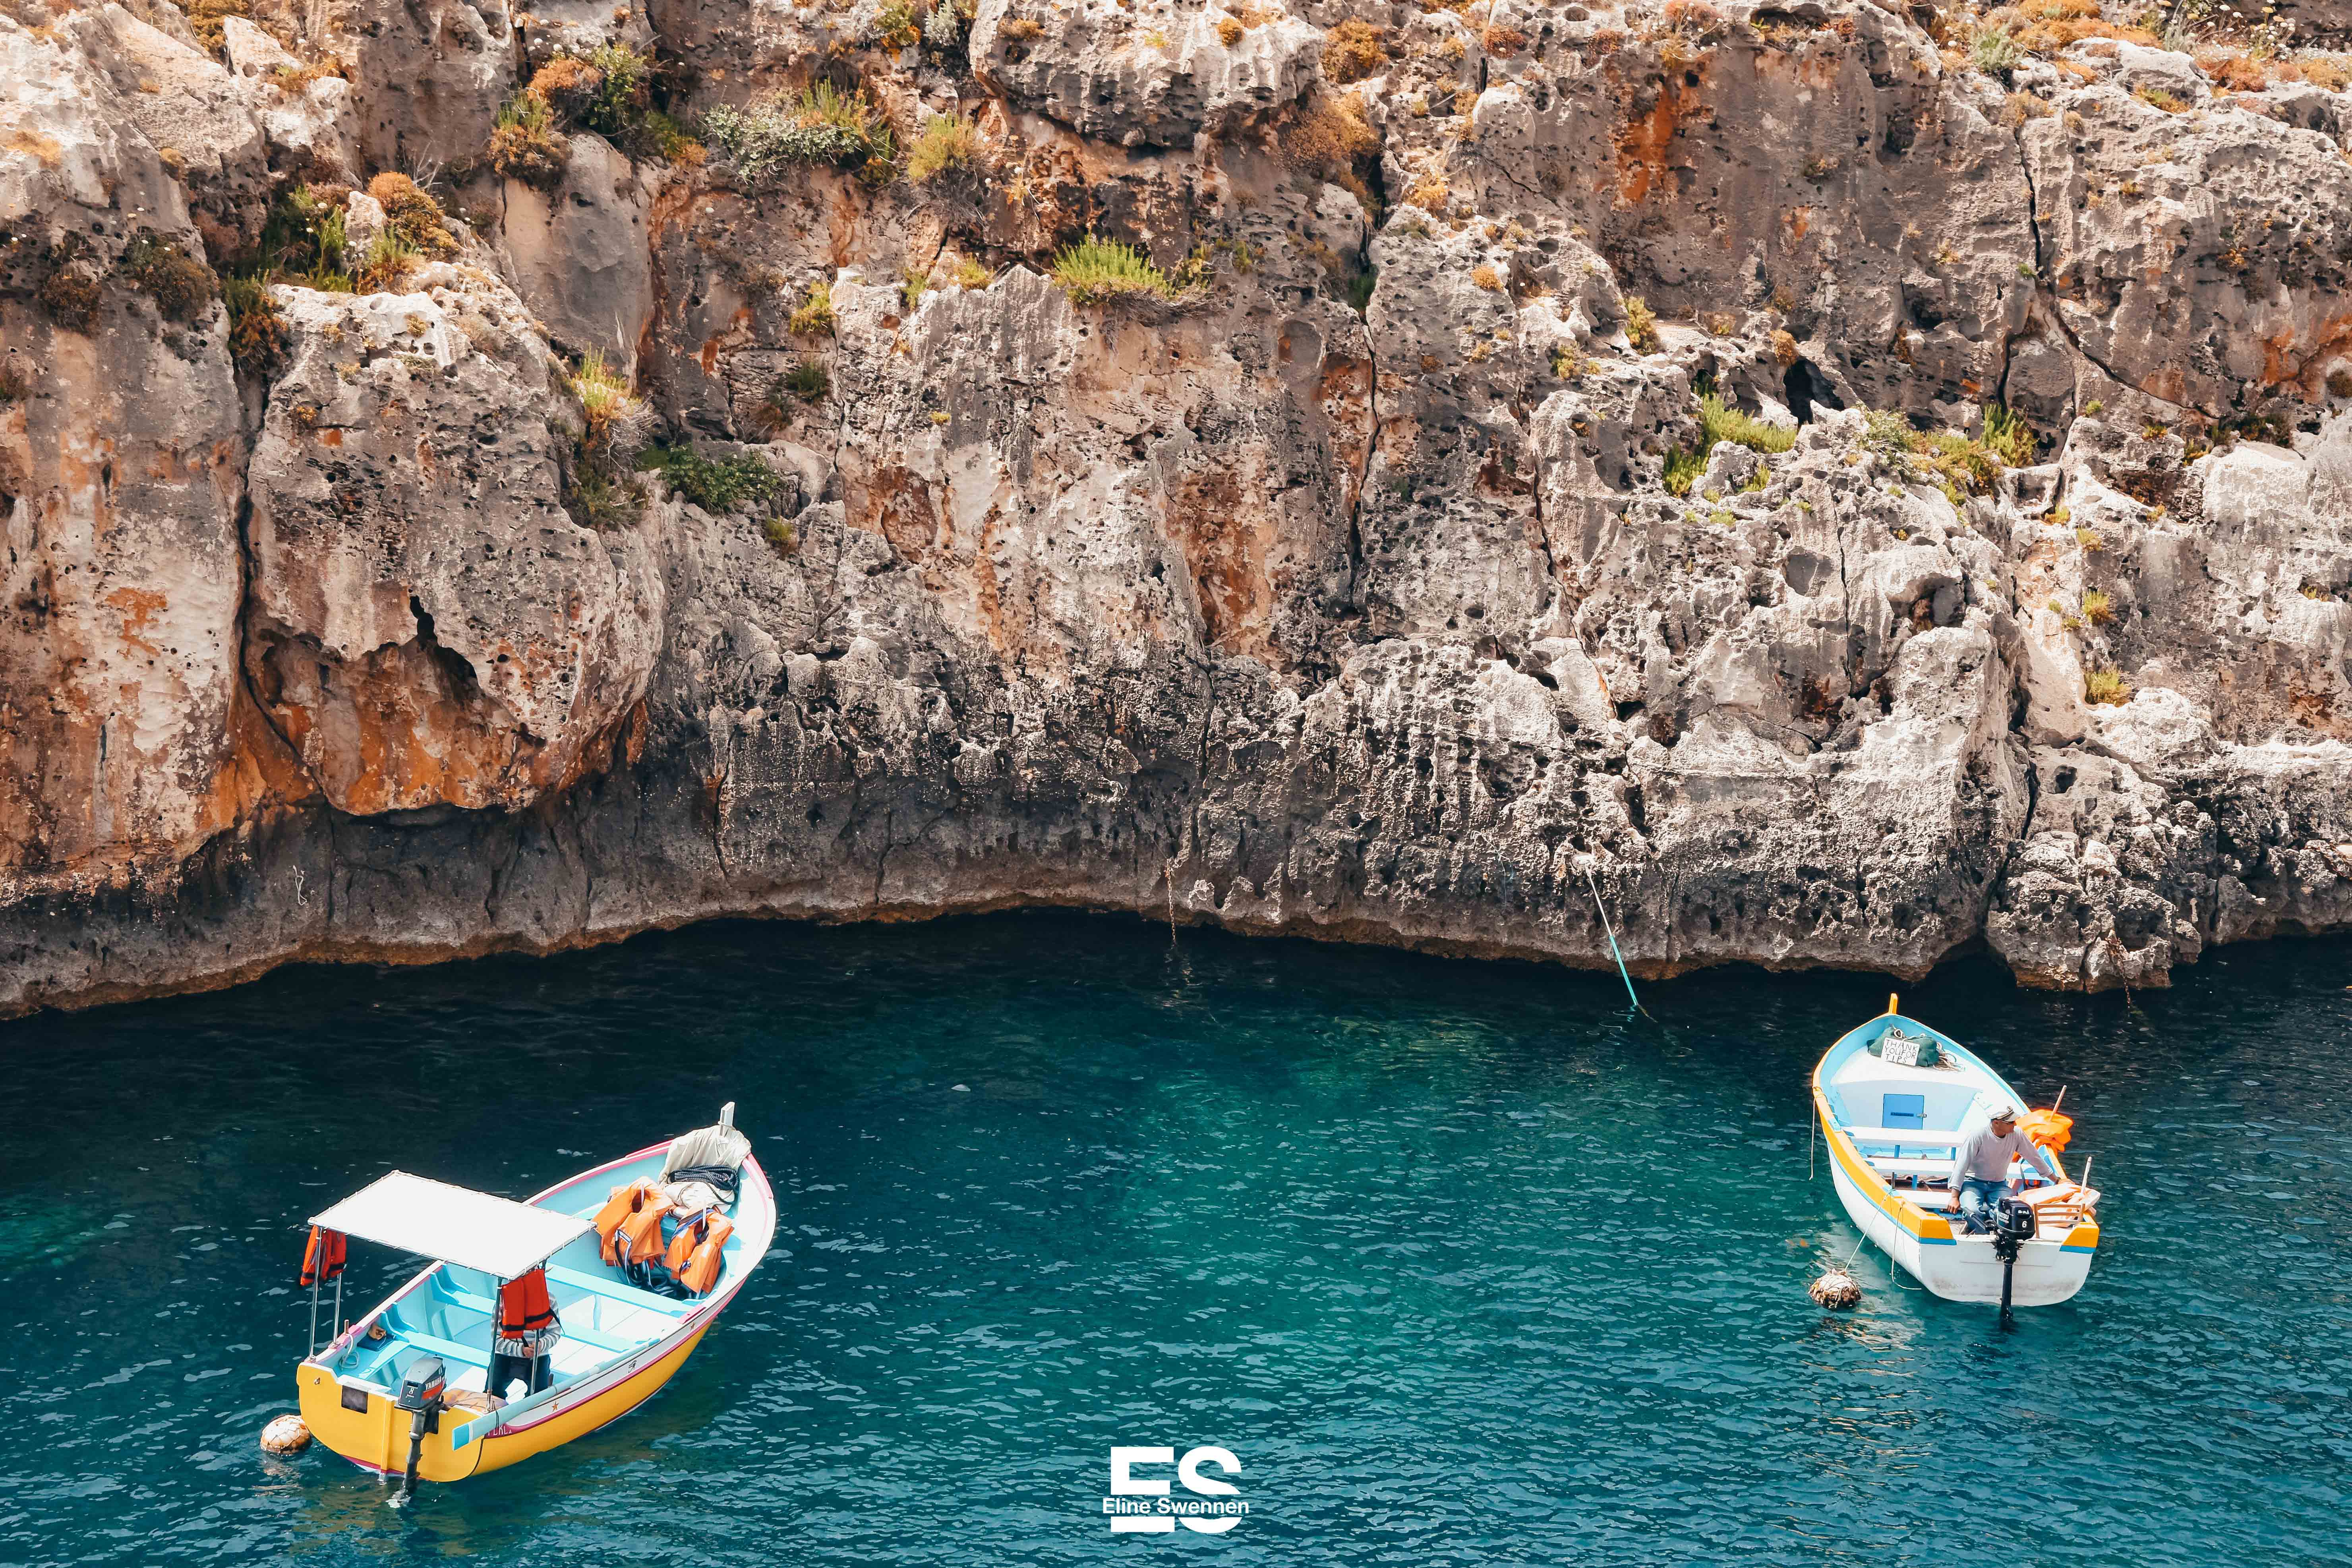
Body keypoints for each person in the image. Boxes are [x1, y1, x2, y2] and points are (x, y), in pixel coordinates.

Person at [1948, 1103, 2060, 1234]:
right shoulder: (1978, 1135)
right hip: (1972, 1183)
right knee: (1972, 1211)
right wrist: (1954, 1196)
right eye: (2011, 1122)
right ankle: (1980, 1232)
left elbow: (2034, 1157)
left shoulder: (2017, 1134)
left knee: (2008, 1211)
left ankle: (1989, 1228)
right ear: (1996, 1123)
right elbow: (1961, 1165)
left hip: (1998, 1185)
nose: (2015, 1124)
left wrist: (2056, 1180)